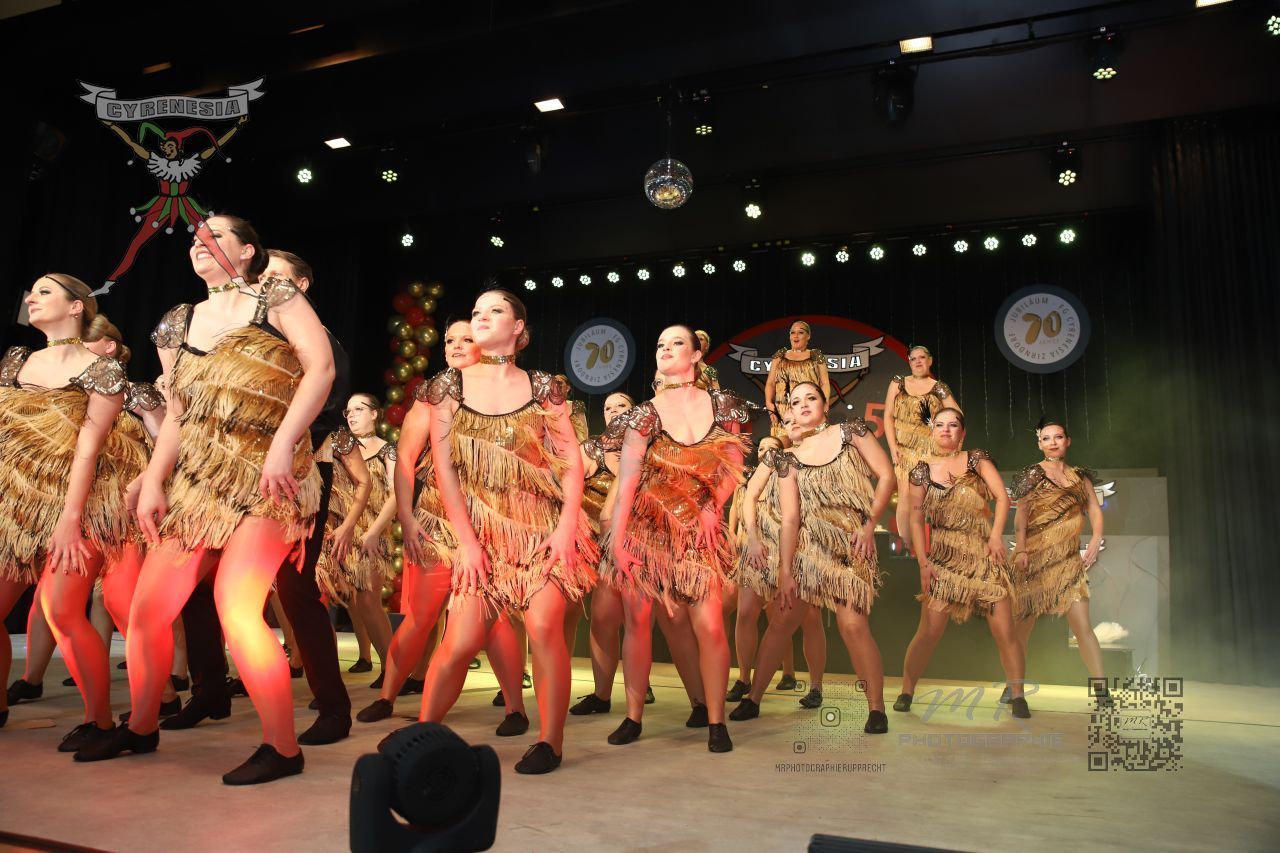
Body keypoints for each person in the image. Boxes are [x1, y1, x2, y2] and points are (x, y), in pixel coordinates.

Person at [75, 216, 334, 784]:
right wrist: (153, 478)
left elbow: (322, 368)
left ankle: (283, 747)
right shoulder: (179, 321)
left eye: (215, 236)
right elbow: (178, 413)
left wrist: (284, 444)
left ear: (247, 251)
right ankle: (142, 726)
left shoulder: (277, 298)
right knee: (146, 612)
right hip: (198, 482)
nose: (200, 243)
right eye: (195, 238)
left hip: (269, 478)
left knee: (236, 607)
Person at [161, 248, 356, 746]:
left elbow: (325, 405)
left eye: (275, 276)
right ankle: (209, 689)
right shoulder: (232, 328)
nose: (261, 282)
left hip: (293, 472)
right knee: (197, 585)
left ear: (301, 285)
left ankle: (332, 706)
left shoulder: (315, 338)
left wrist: (276, 446)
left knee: (295, 590)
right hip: (219, 476)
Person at [417, 290, 596, 774]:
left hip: (541, 530)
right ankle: (421, 735)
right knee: (459, 642)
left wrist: (566, 527)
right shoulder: (448, 387)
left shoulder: (543, 387)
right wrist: (467, 544)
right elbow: (445, 470)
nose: (481, 317)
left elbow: (570, 464)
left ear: (518, 327)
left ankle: (550, 742)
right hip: (480, 534)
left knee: (543, 627)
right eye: (476, 310)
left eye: (494, 310)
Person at [356, 320, 528, 732]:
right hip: (437, 521)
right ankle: (387, 695)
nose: (455, 346)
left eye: (467, 339)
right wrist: (407, 516)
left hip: (491, 524)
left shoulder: (512, 392)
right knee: (421, 615)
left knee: (495, 617)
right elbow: (406, 458)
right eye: (450, 340)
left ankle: (515, 708)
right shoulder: (433, 394)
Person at [605, 325, 750, 752]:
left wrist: (711, 506)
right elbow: (628, 481)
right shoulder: (644, 414)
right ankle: (633, 717)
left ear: (697, 354)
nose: (665, 349)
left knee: (710, 625)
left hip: (699, 534)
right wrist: (617, 540)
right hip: (645, 530)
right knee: (638, 623)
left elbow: (734, 466)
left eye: (676, 343)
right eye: (660, 344)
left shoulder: (723, 405)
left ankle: (716, 721)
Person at [0, 276, 131, 746]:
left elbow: (88, 450)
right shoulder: (17, 361)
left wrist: (69, 521)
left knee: (62, 611)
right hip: (16, 506)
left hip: (78, 504)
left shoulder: (102, 371)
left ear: (77, 307)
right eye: (30, 291)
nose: (30, 298)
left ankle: (100, 721)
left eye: (44, 291)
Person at [731, 382, 894, 733]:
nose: (803, 405)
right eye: (795, 401)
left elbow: (886, 476)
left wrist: (870, 526)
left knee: (853, 626)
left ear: (825, 404)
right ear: (789, 411)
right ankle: (753, 698)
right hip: (807, 550)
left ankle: (876, 709)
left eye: (811, 398)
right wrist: (786, 571)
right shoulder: (788, 459)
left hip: (850, 543)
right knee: (782, 622)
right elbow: (791, 519)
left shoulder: (850, 433)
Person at [894, 406, 1031, 719]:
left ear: (963, 432)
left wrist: (996, 536)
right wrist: (923, 563)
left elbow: (1002, 497)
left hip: (983, 555)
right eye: (940, 424)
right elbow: (915, 519)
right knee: (929, 631)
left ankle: (1018, 695)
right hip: (943, 558)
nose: (946, 429)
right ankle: (906, 690)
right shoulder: (921, 471)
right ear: (932, 431)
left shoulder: (976, 460)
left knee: (1004, 630)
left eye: (953, 424)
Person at [1010, 417, 1110, 704]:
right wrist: (1022, 550)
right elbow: (1021, 515)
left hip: (1068, 561)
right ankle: (1013, 686)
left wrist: (1096, 539)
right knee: (1023, 627)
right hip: (1035, 559)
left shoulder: (1080, 477)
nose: (1053, 442)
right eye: (1046, 438)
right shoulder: (1032, 474)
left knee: (1082, 626)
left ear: (1068, 441)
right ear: (1039, 444)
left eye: (1058, 437)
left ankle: (1101, 690)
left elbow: (1094, 510)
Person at [727, 431, 827, 708]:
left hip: (795, 554)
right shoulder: (748, 483)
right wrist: (748, 540)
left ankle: (815, 686)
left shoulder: (798, 473)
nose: (765, 453)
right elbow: (741, 511)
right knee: (745, 613)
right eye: (761, 448)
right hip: (756, 553)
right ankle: (744, 679)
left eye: (772, 448)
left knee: (810, 619)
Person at [315, 394, 391, 686]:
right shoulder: (338, 444)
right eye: (348, 411)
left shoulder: (387, 450)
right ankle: (361, 658)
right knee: (350, 599)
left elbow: (396, 494)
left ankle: (391, 668)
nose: (352, 415)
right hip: (339, 531)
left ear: (375, 414)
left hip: (371, 532)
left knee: (367, 598)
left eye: (359, 409)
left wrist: (374, 532)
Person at [883, 345, 959, 554]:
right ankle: (908, 547)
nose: (917, 361)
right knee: (905, 497)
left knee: (932, 497)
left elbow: (957, 414)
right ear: (909, 362)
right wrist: (892, 446)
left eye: (922, 357)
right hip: (904, 449)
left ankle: (937, 547)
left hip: (931, 451)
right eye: (913, 358)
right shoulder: (898, 383)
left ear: (929, 361)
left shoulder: (938, 387)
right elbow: (888, 415)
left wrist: (949, 439)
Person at [763, 320, 830, 425]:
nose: (796, 336)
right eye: (792, 332)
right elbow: (770, 383)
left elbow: (824, 383)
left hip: (809, 409)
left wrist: (825, 403)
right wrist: (769, 404)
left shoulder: (815, 356)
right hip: (782, 411)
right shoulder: (779, 356)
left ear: (808, 336)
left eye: (800, 332)